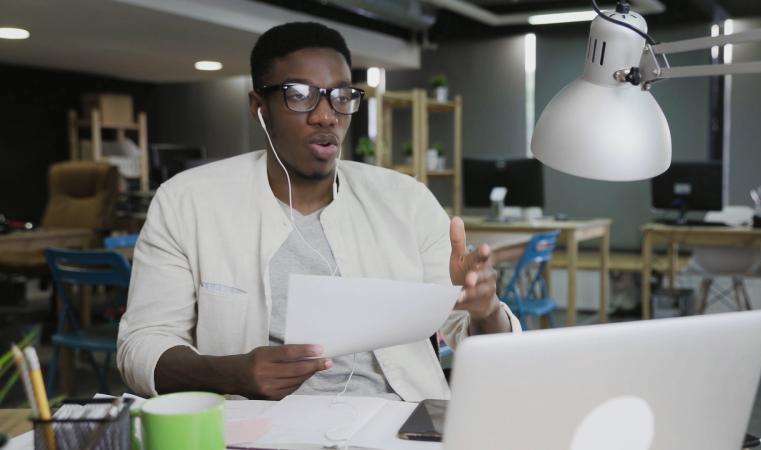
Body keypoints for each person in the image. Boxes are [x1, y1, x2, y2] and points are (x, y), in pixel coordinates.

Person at [117, 22, 520, 401]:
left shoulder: (406, 201)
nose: (326, 114)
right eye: (299, 94)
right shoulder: (186, 202)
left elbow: (479, 345)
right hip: (257, 432)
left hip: (400, 425)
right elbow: (142, 346)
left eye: (341, 96)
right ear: (260, 106)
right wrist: (230, 374)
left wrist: (484, 310)